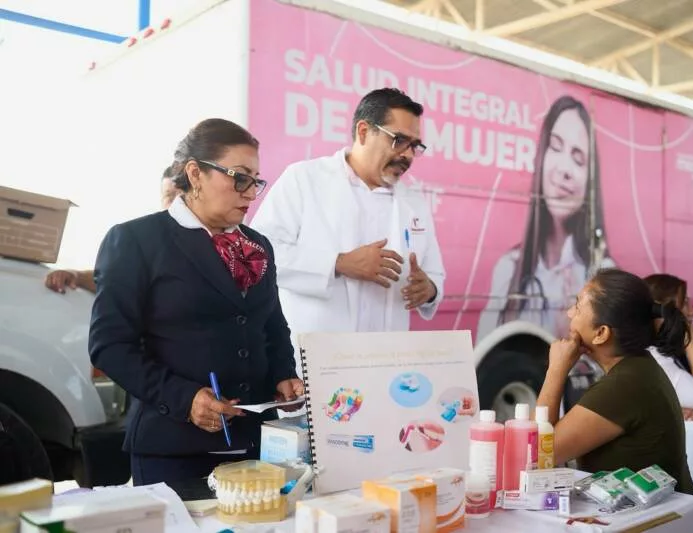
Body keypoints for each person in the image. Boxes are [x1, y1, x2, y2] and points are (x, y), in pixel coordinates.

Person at [89, 118, 303, 487]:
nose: (250, 193)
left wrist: (284, 373)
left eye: (255, 181)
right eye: (239, 177)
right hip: (174, 449)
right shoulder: (137, 240)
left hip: (255, 445)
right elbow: (110, 346)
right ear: (195, 173)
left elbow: (271, 324)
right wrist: (184, 399)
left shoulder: (256, 245)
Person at [250, 88, 445, 338]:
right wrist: (339, 263)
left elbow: (434, 273)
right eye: (398, 140)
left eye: (414, 145)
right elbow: (258, 256)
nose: (407, 154)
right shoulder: (304, 179)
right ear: (363, 132)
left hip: (388, 353)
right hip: (317, 351)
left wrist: (429, 290)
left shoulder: (414, 202)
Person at [536, 269, 693, 495]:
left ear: (601, 333)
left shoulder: (626, 384)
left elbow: (539, 453)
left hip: (657, 516)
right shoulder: (637, 367)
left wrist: (556, 369)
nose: (570, 313)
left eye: (578, 306)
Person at [478, 95, 613, 341]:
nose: (564, 169)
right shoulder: (509, 269)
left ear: (590, 179)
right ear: (541, 156)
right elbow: (484, 350)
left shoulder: (603, 274)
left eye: (578, 158)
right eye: (556, 147)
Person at [44, 167, 179, 294]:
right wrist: (75, 276)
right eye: (170, 196)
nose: (177, 204)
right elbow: (118, 279)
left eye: (183, 196)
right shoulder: (147, 240)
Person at [644, 273, 693, 421]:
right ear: (659, 310)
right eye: (685, 303)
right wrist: (687, 328)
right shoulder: (653, 357)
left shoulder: (671, 351)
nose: (692, 312)